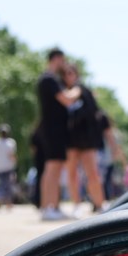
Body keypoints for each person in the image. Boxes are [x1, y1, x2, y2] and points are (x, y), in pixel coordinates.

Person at [35, 48, 81, 220]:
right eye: (62, 60)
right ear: (56, 59)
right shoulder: (48, 79)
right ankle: (47, 207)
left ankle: (53, 206)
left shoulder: (50, 80)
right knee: (52, 169)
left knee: (55, 168)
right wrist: (77, 90)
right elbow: (67, 99)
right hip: (52, 130)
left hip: (56, 131)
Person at [62, 64, 109, 216]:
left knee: (92, 173)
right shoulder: (61, 94)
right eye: (66, 74)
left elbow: (94, 114)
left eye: (71, 73)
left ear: (76, 75)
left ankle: (100, 204)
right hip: (70, 139)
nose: (69, 76)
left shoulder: (82, 91)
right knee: (72, 173)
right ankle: (76, 205)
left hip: (87, 139)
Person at [0, 124, 18, 210]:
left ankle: (0, 199)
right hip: (8, 166)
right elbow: (11, 155)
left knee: (1, 184)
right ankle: (8, 202)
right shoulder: (11, 142)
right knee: (7, 184)